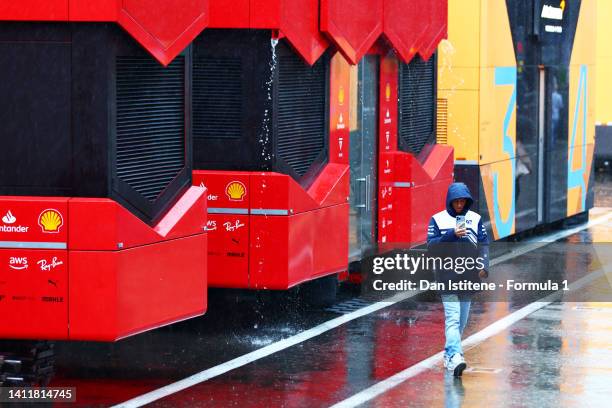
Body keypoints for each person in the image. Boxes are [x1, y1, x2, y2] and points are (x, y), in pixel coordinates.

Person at [427, 182, 489, 377]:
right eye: (456, 201)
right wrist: (451, 235)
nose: (460, 205)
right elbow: (431, 247)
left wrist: (483, 266)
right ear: (450, 201)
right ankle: (456, 357)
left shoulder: (475, 219)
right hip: (447, 278)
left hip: (469, 278)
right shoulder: (437, 220)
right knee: (452, 319)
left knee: (461, 322)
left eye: (463, 201)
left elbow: (484, 244)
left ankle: (448, 355)